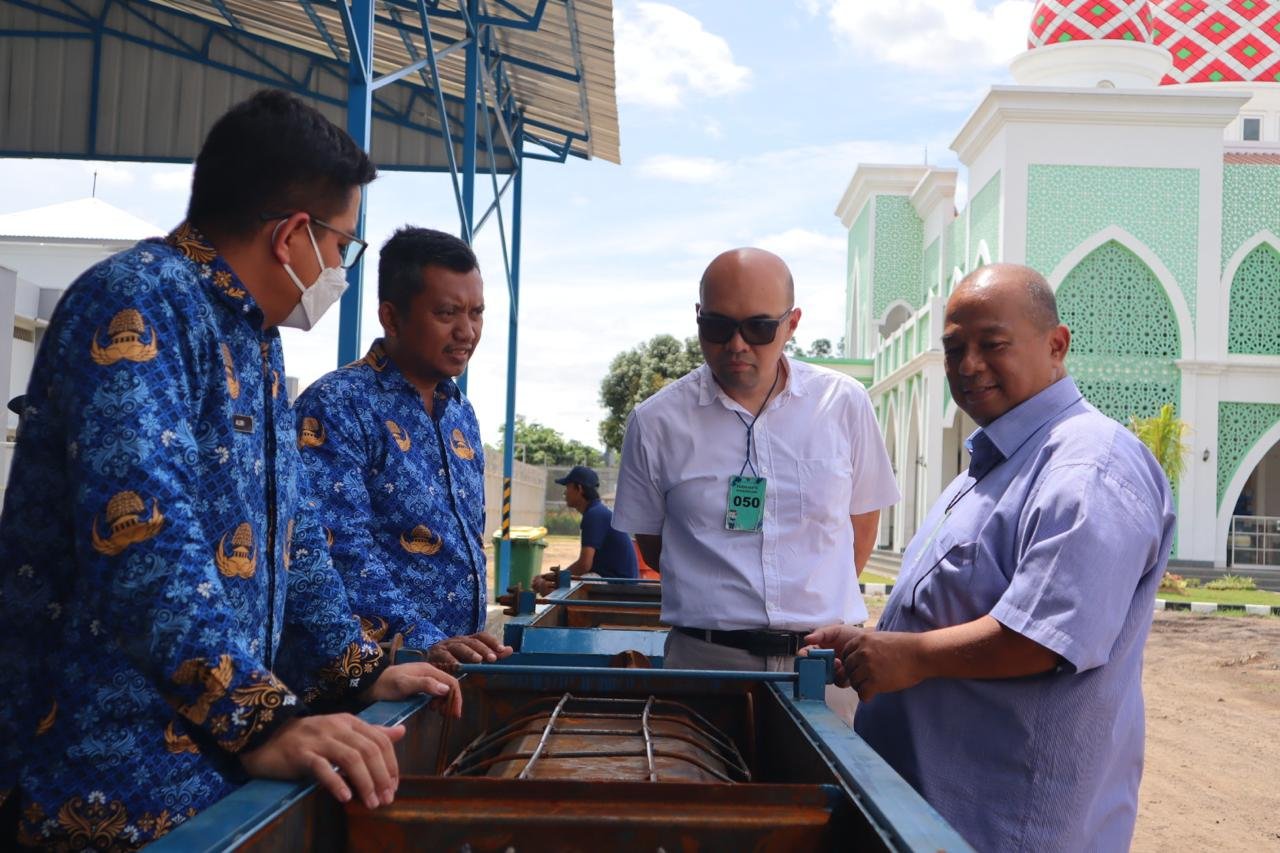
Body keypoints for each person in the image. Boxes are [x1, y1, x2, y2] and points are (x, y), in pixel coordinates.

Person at [0, 90, 461, 851]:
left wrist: (357, 670)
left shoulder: (256, 339)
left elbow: (296, 537)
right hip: (103, 777)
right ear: (292, 236)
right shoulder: (140, 304)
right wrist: (263, 715)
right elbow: (143, 542)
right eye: (343, 245)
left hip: (210, 769)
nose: (340, 266)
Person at [806, 264, 1175, 851]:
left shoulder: (1087, 467)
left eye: (992, 344)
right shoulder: (992, 469)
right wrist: (871, 646)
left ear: (1057, 345)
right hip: (929, 814)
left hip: (1004, 826)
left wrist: (911, 655)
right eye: (954, 348)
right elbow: (958, 613)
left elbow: (1046, 636)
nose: (968, 365)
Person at [611, 247, 899, 719]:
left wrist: (814, 616)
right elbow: (654, 547)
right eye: (719, 327)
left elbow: (861, 526)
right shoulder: (657, 422)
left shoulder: (843, 405)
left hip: (824, 666)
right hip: (706, 667)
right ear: (698, 319)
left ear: (792, 324)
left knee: (827, 792)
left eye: (760, 328)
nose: (737, 344)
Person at [294, 227, 510, 669]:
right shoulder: (338, 405)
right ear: (391, 318)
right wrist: (420, 640)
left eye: (477, 313)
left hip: (448, 669)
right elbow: (337, 549)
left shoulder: (461, 413)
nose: (466, 331)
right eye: (448, 312)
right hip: (369, 679)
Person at [531, 465, 639, 594]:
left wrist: (553, 581)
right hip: (614, 581)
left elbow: (584, 564)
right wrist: (550, 578)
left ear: (579, 488)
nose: (565, 493)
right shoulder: (596, 512)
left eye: (568, 487)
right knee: (555, 585)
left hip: (617, 585)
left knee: (554, 589)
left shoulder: (594, 515)